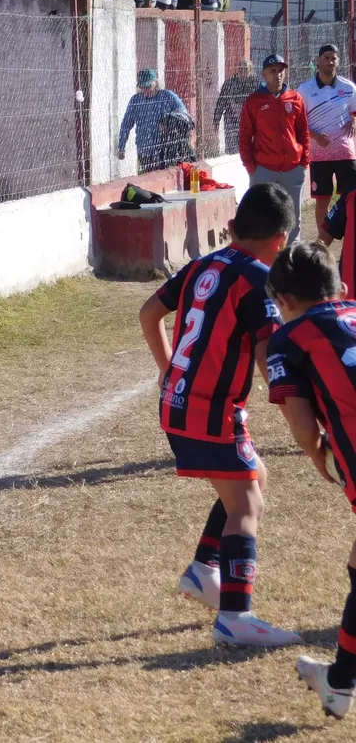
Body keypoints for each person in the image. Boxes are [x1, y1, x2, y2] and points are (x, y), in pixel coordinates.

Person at [138, 183, 301, 647]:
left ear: (232, 227)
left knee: (254, 480)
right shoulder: (257, 281)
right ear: (281, 240)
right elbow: (272, 364)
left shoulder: (203, 264)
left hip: (178, 403)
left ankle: (203, 569)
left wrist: (170, 370)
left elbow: (149, 313)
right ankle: (235, 618)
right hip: (209, 412)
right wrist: (306, 410)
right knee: (247, 504)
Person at [262, 241, 356, 718]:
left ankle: (340, 682)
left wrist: (322, 458)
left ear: (284, 301)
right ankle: (339, 681)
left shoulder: (290, 338)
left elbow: (302, 428)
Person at [239, 54, 309, 244]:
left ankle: (291, 255)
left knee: (293, 215)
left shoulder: (295, 99)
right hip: (264, 169)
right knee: (261, 211)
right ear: (263, 74)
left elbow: (304, 133)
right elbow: (245, 137)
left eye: (280, 71)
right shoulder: (253, 101)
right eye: (272, 71)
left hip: (293, 169)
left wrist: (303, 163)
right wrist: (251, 167)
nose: (277, 75)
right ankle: (260, 255)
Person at [298, 44, 356, 232]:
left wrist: (354, 122)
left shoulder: (349, 87)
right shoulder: (305, 89)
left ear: (338, 61)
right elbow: (298, 122)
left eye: (334, 58)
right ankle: (322, 244)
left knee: (350, 199)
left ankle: (349, 239)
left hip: (346, 153)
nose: (330, 61)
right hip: (318, 155)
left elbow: (354, 112)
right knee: (322, 201)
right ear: (318, 60)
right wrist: (315, 136)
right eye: (326, 58)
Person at [117, 69, 188, 173]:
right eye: (142, 87)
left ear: (155, 83)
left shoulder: (167, 96)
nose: (145, 91)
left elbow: (184, 114)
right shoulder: (135, 100)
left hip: (165, 149)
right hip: (144, 151)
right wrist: (121, 146)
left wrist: (168, 120)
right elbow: (126, 124)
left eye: (147, 87)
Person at [214, 60, 260, 153]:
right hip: (231, 119)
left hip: (249, 120)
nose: (243, 71)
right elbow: (221, 102)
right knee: (232, 149)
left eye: (245, 69)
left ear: (250, 70)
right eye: (241, 68)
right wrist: (216, 119)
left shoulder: (255, 84)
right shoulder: (229, 83)